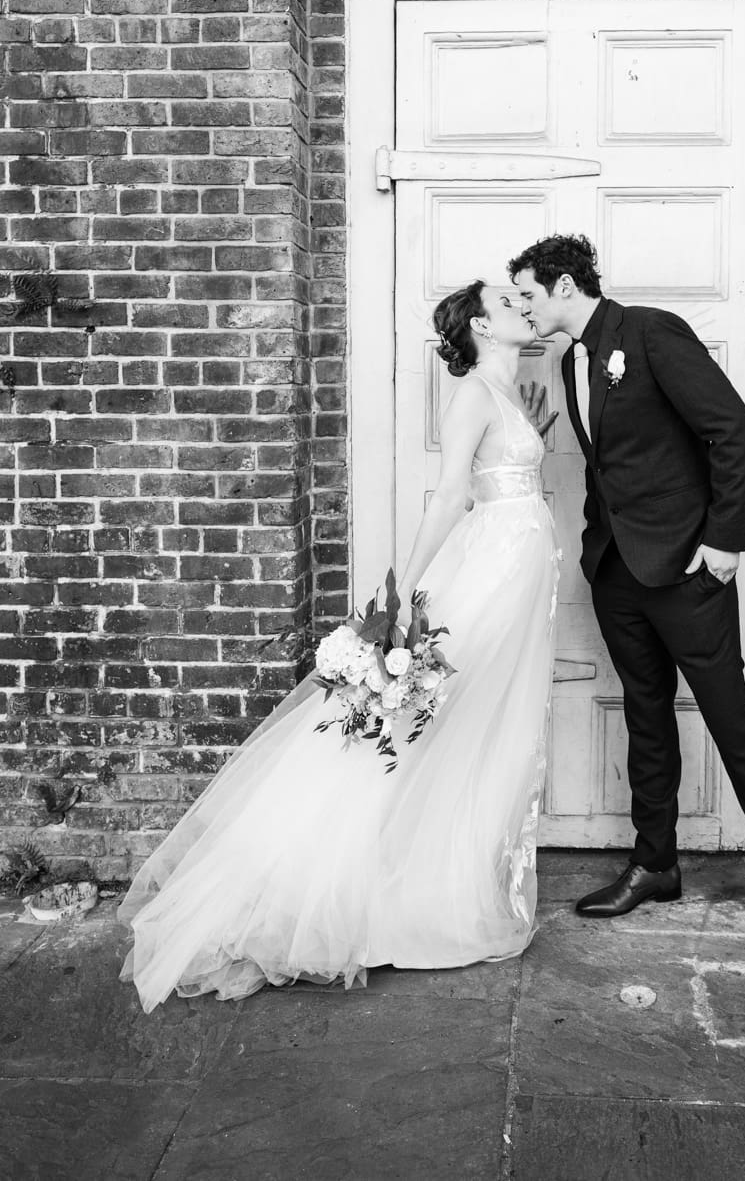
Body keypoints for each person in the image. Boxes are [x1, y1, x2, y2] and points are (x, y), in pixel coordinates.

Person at [118, 283, 560, 1011]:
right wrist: (400, 594)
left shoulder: (507, 388)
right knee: (428, 723)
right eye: (508, 299)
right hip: (492, 569)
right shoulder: (474, 396)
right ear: (483, 323)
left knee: (488, 729)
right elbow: (451, 496)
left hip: (518, 574)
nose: (523, 304)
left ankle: (450, 881)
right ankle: (352, 888)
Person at [509, 234, 745, 971]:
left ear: (561, 286)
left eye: (526, 294)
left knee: (732, 722)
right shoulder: (567, 358)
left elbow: (730, 428)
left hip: (687, 570)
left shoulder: (647, 333)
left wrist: (724, 542)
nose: (522, 307)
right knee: (645, 716)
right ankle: (656, 863)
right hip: (617, 570)